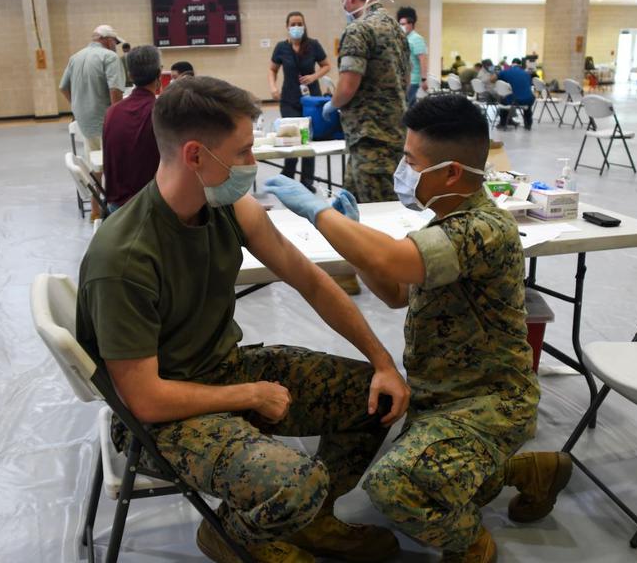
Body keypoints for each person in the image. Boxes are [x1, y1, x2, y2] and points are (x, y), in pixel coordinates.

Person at [77, 76, 410, 563]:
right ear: (195, 156)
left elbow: (311, 280)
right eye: (243, 152)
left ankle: (311, 523)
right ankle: (232, 534)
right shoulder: (125, 258)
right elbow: (145, 400)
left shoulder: (226, 205)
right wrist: (249, 395)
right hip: (160, 420)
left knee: (373, 397)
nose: (252, 166)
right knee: (298, 483)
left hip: (220, 372)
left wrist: (382, 361)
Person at [264, 93, 572, 563]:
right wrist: (352, 238)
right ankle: (529, 472)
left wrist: (317, 213)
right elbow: (394, 291)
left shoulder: (483, 229)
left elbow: (391, 258)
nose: (402, 170)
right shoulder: (444, 221)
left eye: (410, 161)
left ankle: (470, 543)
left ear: (450, 173)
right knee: (423, 462)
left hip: (489, 403)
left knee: (396, 487)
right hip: (440, 397)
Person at [322, 0, 409, 205]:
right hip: (392, 131)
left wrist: (332, 104)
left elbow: (347, 85)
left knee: (379, 213)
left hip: (370, 137)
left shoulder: (358, 30)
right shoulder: (395, 28)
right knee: (353, 204)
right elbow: (406, 78)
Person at [60, 24, 125, 220]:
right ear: (107, 39)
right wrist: (119, 119)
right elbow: (115, 90)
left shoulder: (75, 57)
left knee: (95, 166)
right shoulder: (109, 57)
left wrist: (78, 107)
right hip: (106, 122)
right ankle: (118, 210)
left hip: (86, 124)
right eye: (115, 42)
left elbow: (63, 87)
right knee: (116, 165)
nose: (116, 46)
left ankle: (95, 211)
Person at [269, 11, 331, 194]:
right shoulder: (281, 47)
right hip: (288, 99)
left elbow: (327, 65)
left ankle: (307, 180)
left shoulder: (313, 45)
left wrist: (314, 76)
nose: (297, 27)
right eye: (293, 24)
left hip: (311, 100)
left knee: (307, 139)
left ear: (304, 26)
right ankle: (287, 176)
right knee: (292, 138)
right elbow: (272, 69)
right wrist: (273, 87)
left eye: (299, 24)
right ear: (287, 27)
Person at [101, 45, 162, 212]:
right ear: (159, 74)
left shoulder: (112, 112)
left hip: (116, 208)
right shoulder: (162, 113)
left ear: (130, 75)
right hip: (148, 208)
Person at [397, 6, 428, 107]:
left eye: (403, 24)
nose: (401, 26)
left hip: (413, 81)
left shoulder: (417, 39)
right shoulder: (404, 38)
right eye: (400, 24)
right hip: (404, 80)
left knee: (408, 109)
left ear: (411, 24)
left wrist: (424, 80)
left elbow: (422, 60)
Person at [496, 58, 534, 130]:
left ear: (511, 64)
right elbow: (528, 86)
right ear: (521, 65)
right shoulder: (527, 74)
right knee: (528, 102)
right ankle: (528, 123)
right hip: (528, 100)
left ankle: (503, 123)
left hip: (513, 100)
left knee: (503, 98)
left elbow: (497, 81)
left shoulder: (505, 72)